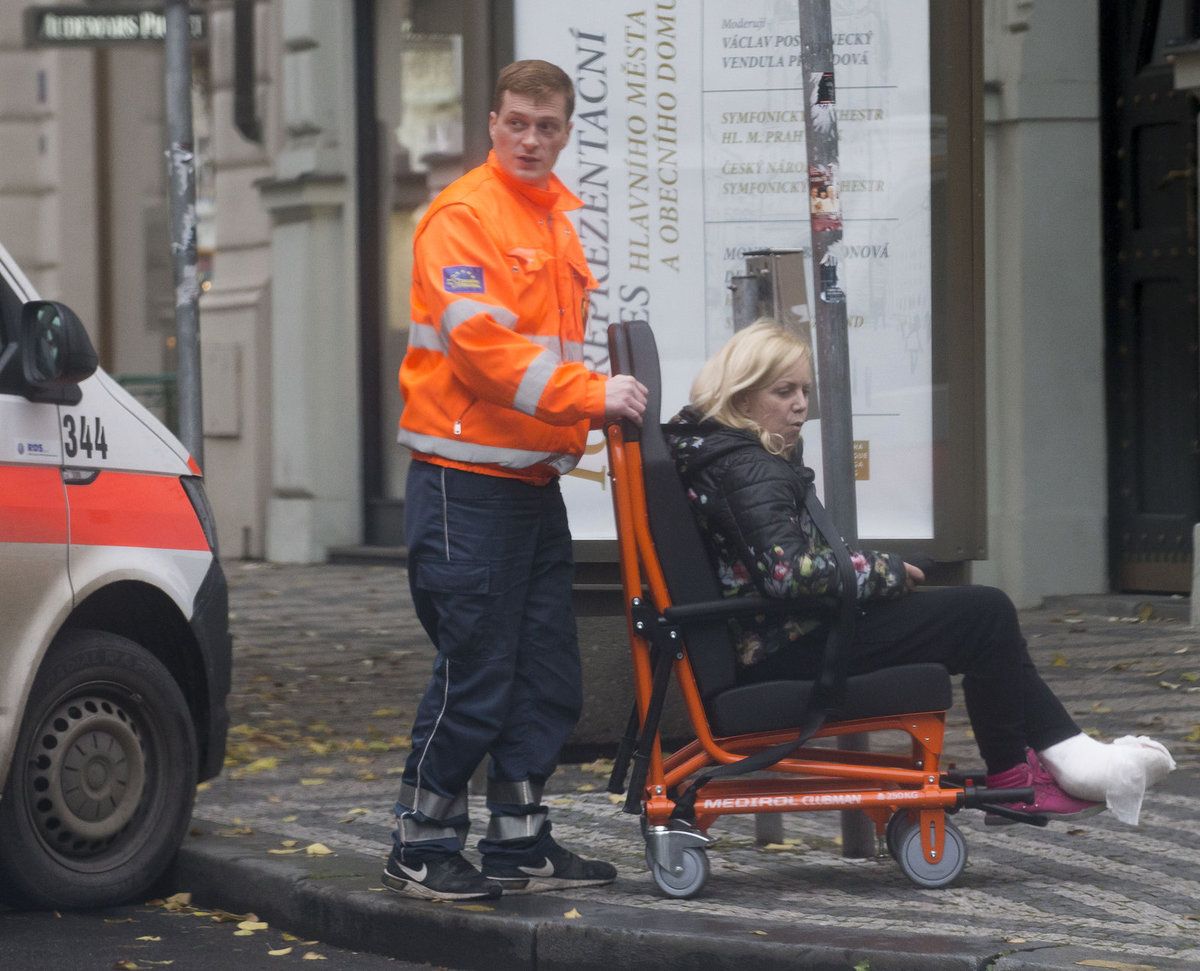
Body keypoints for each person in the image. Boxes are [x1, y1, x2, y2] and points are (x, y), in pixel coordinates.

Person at [665, 320, 1174, 827]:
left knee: (982, 616)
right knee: (986, 612)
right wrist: (885, 571)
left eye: (804, 390)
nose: (801, 404)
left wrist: (883, 570)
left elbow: (787, 567)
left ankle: (1048, 764)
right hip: (791, 645)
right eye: (784, 392)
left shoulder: (731, 457)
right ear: (743, 397)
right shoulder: (746, 466)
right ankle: (1026, 774)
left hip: (791, 633)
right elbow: (788, 574)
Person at [385, 60, 648, 901]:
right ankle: (420, 842)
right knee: (479, 671)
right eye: (517, 123)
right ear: (492, 125)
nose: (532, 139)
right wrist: (592, 400)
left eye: (548, 126)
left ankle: (519, 837)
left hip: (527, 483)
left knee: (547, 674)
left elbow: (539, 356)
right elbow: (487, 352)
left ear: (568, 131)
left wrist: (580, 431)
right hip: (466, 486)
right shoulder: (464, 217)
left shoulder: (551, 220)